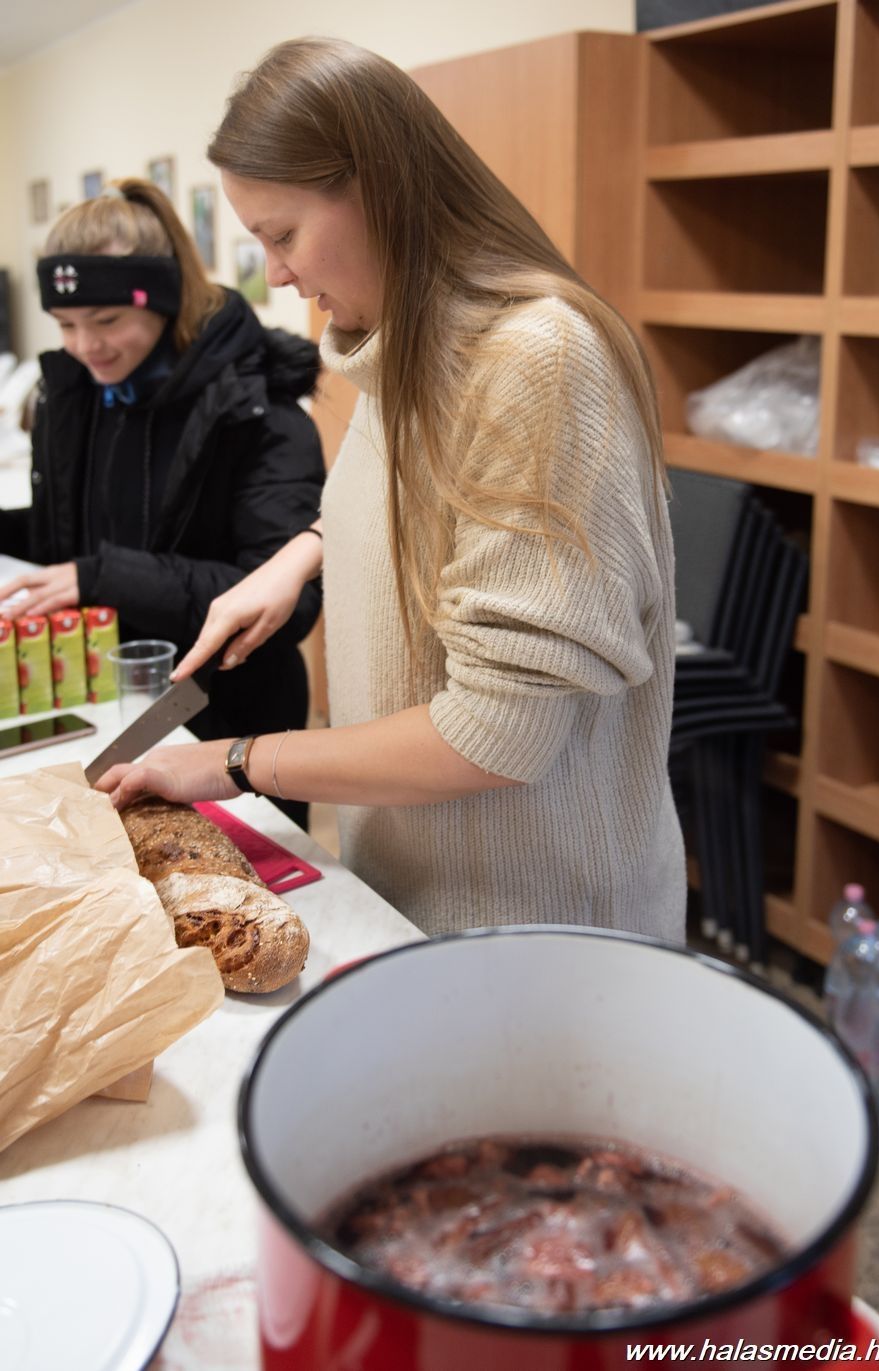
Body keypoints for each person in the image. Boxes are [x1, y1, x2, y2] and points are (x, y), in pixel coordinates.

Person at [97, 39, 687, 941]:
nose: (278, 275)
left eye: (283, 236)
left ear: (379, 188)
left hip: (536, 929)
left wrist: (236, 761)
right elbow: (430, 506)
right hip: (417, 898)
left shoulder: (536, 360)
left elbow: (496, 731)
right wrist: (301, 556)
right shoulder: (405, 344)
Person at [0, 178, 325, 827]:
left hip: (232, 724)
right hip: (109, 709)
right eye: (66, 325)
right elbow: (68, 538)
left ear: (166, 300)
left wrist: (100, 577)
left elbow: (287, 606)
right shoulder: (76, 394)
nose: (85, 346)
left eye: (107, 321)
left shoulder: (259, 411)